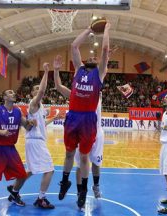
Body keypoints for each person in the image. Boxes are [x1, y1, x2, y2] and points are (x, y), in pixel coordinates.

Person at [58, 22, 111, 208]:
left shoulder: (100, 74)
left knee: (84, 158)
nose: (92, 57)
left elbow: (105, 49)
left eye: (95, 58)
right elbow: (74, 46)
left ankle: (84, 191)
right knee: (69, 154)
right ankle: (64, 182)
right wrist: (88, 29)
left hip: (88, 119)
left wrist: (106, 30)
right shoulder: (78, 70)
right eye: (90, 56)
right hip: (73, 116)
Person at [9, 62, 60, 209]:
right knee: (50, 169)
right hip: (36, 142)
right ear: (32, 94)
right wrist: (46, 72)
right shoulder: (34, 103)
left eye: (39, 88)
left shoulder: (40, 108)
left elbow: (42, 123)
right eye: (36, 89)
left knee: (30, 171)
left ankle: (14, 190)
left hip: (34, 140)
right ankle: (41, 199)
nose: (39, 91)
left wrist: (53, 119)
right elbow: (43, 91)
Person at [53, 55, 104, 199]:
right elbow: (59, 87)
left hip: (96, 131)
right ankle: (80, 191)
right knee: (79, 162)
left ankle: (96, 186)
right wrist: (56, 71)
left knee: (95, 163)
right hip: (81, 127)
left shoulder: (97, 89)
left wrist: (105, 57)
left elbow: (101, 69)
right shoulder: (79, 94)